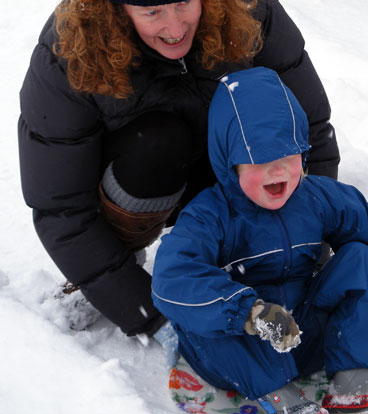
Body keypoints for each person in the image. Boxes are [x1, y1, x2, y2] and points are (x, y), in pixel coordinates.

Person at [17, 0, 340, 353]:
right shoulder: (69, 48)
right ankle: (113, 261)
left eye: (184, 3)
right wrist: (150, 313)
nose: (174, 29)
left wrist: (309, 244)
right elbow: (62, 208)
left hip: (230, 175)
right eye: (152, 12)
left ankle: (246, 252)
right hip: (141, 180)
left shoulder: (248, 9)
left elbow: (308, 128)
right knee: (157, 142)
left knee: (259, 113)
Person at [151, 67, 368, 414]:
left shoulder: (317, 197)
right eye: (258, 160)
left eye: (288, 154)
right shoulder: (211, 215)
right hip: (244, 348)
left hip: (302, 335)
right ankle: (284, 405)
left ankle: (352, 381)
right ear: (229, 163)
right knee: (200, 319)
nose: (278, 169)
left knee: (360, 256)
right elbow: (172, 277)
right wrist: (248, 313)